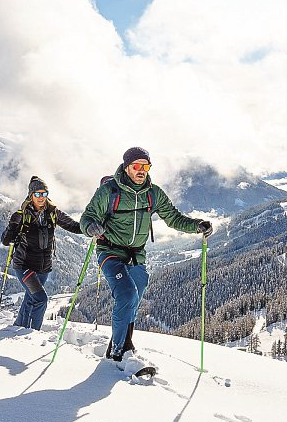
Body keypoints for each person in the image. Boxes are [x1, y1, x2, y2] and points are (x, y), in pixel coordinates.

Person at [79, 147, 213, 361]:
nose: (141, 170)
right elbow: (87, 217)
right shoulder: (109, 191)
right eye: (136, 166)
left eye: (146, 166)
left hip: (136, 255)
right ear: (126, 167)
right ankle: (119, 352)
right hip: (110, 251)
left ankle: (123, 341)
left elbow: (173, 217)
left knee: (136, 295)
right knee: (126, 295)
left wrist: (196, 225)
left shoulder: (153, 193)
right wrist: (90, 227)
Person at [0, 176, 83, 330]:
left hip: (43, 268)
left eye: (44, 193)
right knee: (40, 299)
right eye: (37, 194)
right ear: (31, 195)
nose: (41, 197)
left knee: (30, 298)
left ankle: (17, 328)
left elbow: (74, 226)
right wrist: (12, 226)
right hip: (24, 266)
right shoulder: (22, 215)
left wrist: (89, 227)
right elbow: (6, 241)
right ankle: (32, 333)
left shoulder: (53, 212)